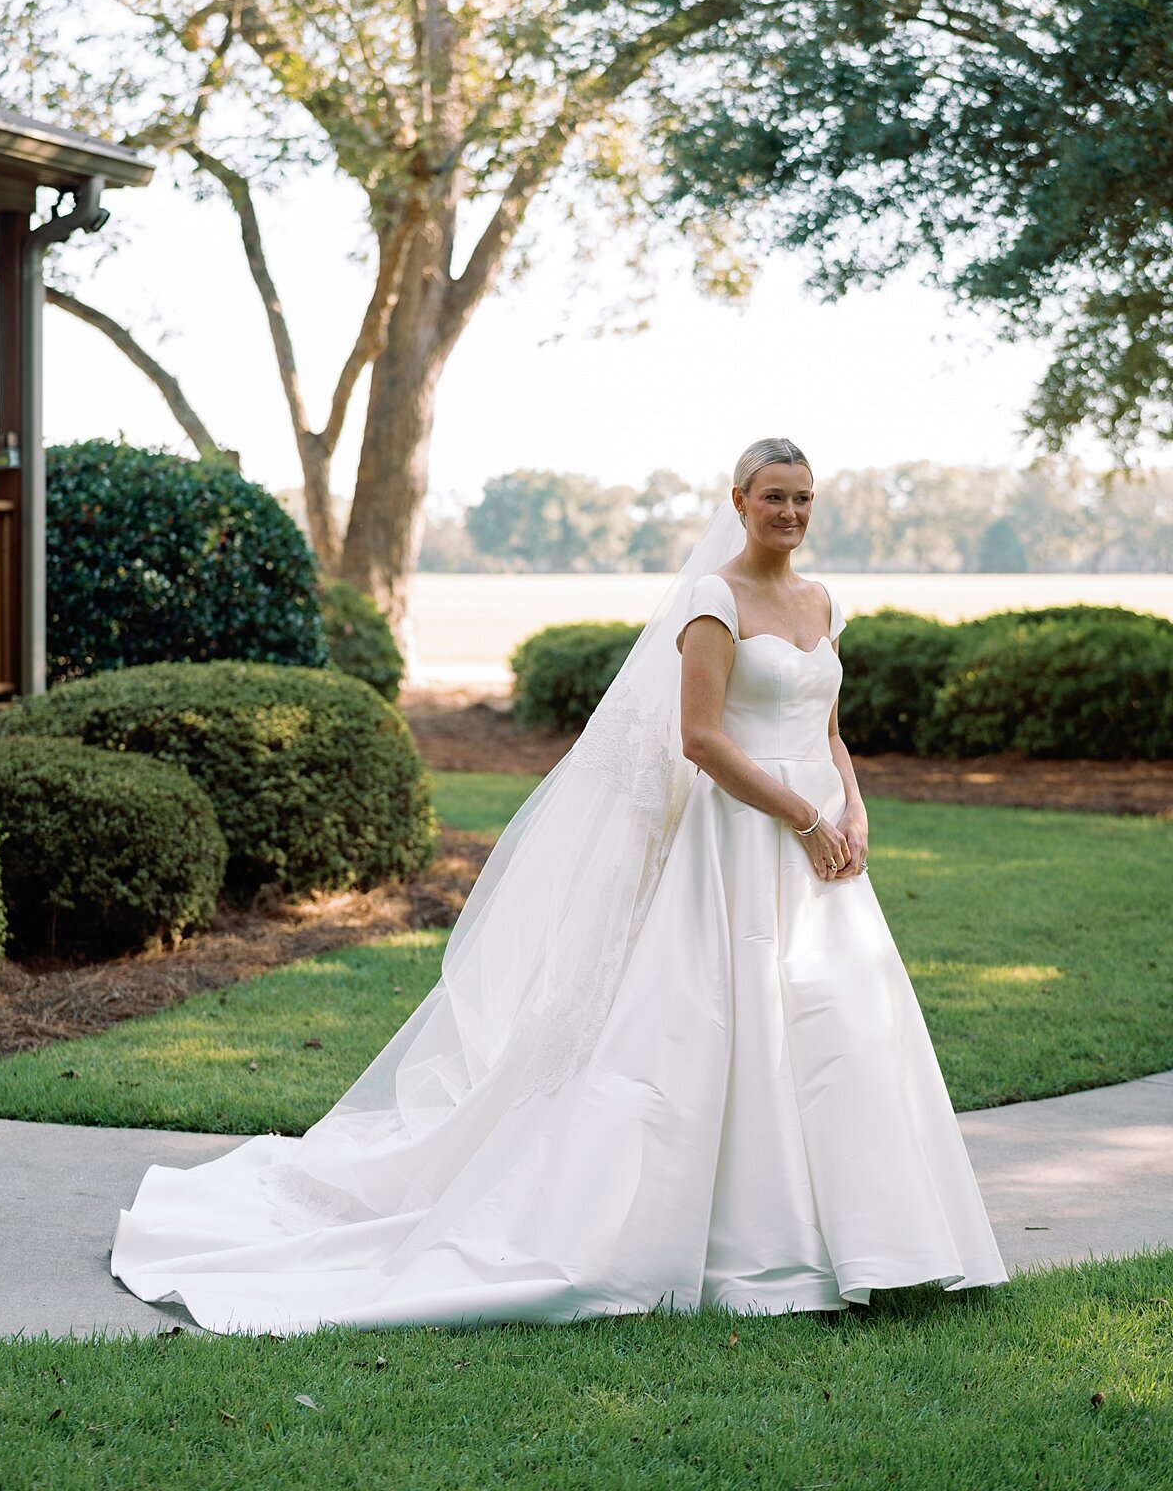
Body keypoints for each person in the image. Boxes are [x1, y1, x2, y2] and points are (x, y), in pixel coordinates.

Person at [111, 437, 1006, 1333]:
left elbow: (829, 728)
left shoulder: (822, 601)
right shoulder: (712, 602)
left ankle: (879, 1244)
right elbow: (702, 739)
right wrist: (802, 820)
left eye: (805, 499)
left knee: (841, 1022)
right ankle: (745, 1245)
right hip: (739, 840)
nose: (792, 514)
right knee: (718, 1025)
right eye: (775, 497)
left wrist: (851, 809)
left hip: (825, 849)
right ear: (738, 500)